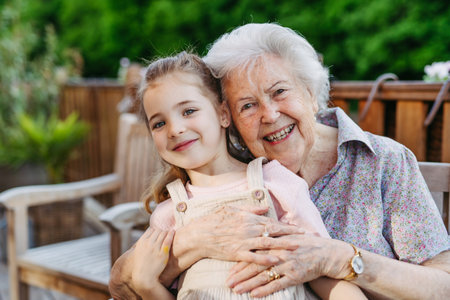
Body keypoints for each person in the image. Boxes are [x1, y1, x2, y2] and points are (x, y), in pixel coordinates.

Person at [110, 23, 450, 299]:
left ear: (310, 91)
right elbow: (122, 281)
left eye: (279, 92)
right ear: (226, 115)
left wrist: (343, 259)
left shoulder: (382, 162)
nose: (270, 115)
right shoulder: (227, 166)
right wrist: (190, 242)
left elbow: (443, 286)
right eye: (247, 105)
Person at [122, 51, 366, 299]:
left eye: (188, 111)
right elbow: (138, 280)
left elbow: (324, 273)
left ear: (223, 114)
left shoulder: (276, 184)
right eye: (159, 123)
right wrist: (147, 287)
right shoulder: (167, 217)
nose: (175, 129)